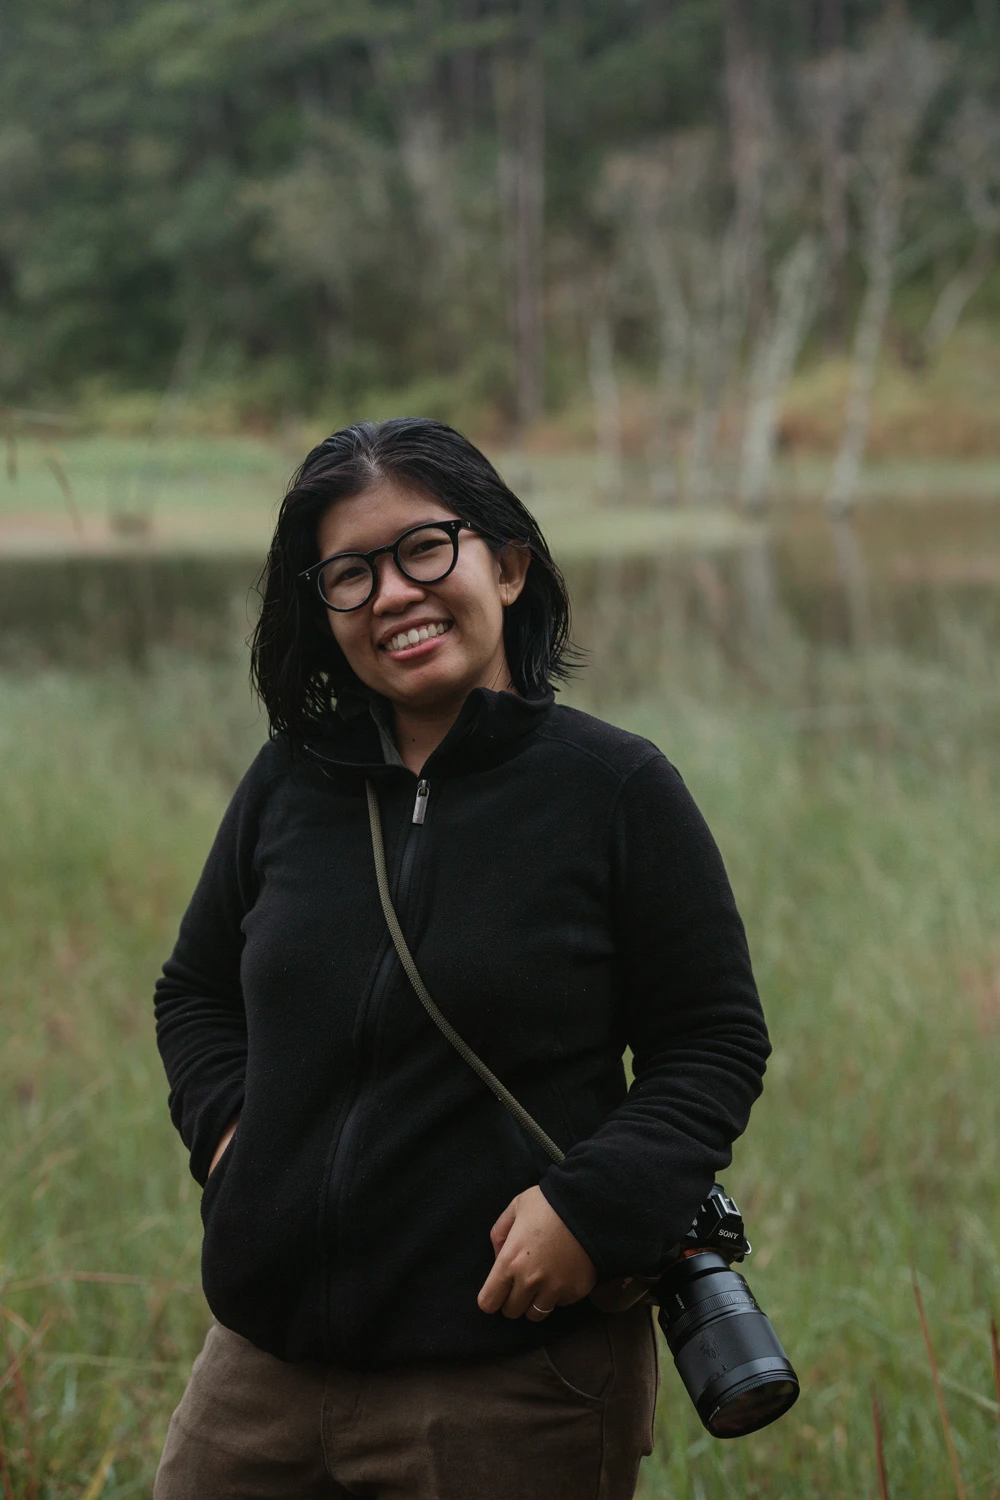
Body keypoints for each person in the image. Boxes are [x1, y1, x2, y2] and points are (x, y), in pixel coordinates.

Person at [152, 418, 771, 1500]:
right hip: (259, 1372)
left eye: (424, 549)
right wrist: (229, 1137)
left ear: (509, 564)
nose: (392, 593)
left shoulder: (615, 790)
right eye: (350, 573)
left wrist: (589, 1209)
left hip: (509, 1384)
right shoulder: (291, 781)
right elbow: (196, 992)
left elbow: (711, 1042)